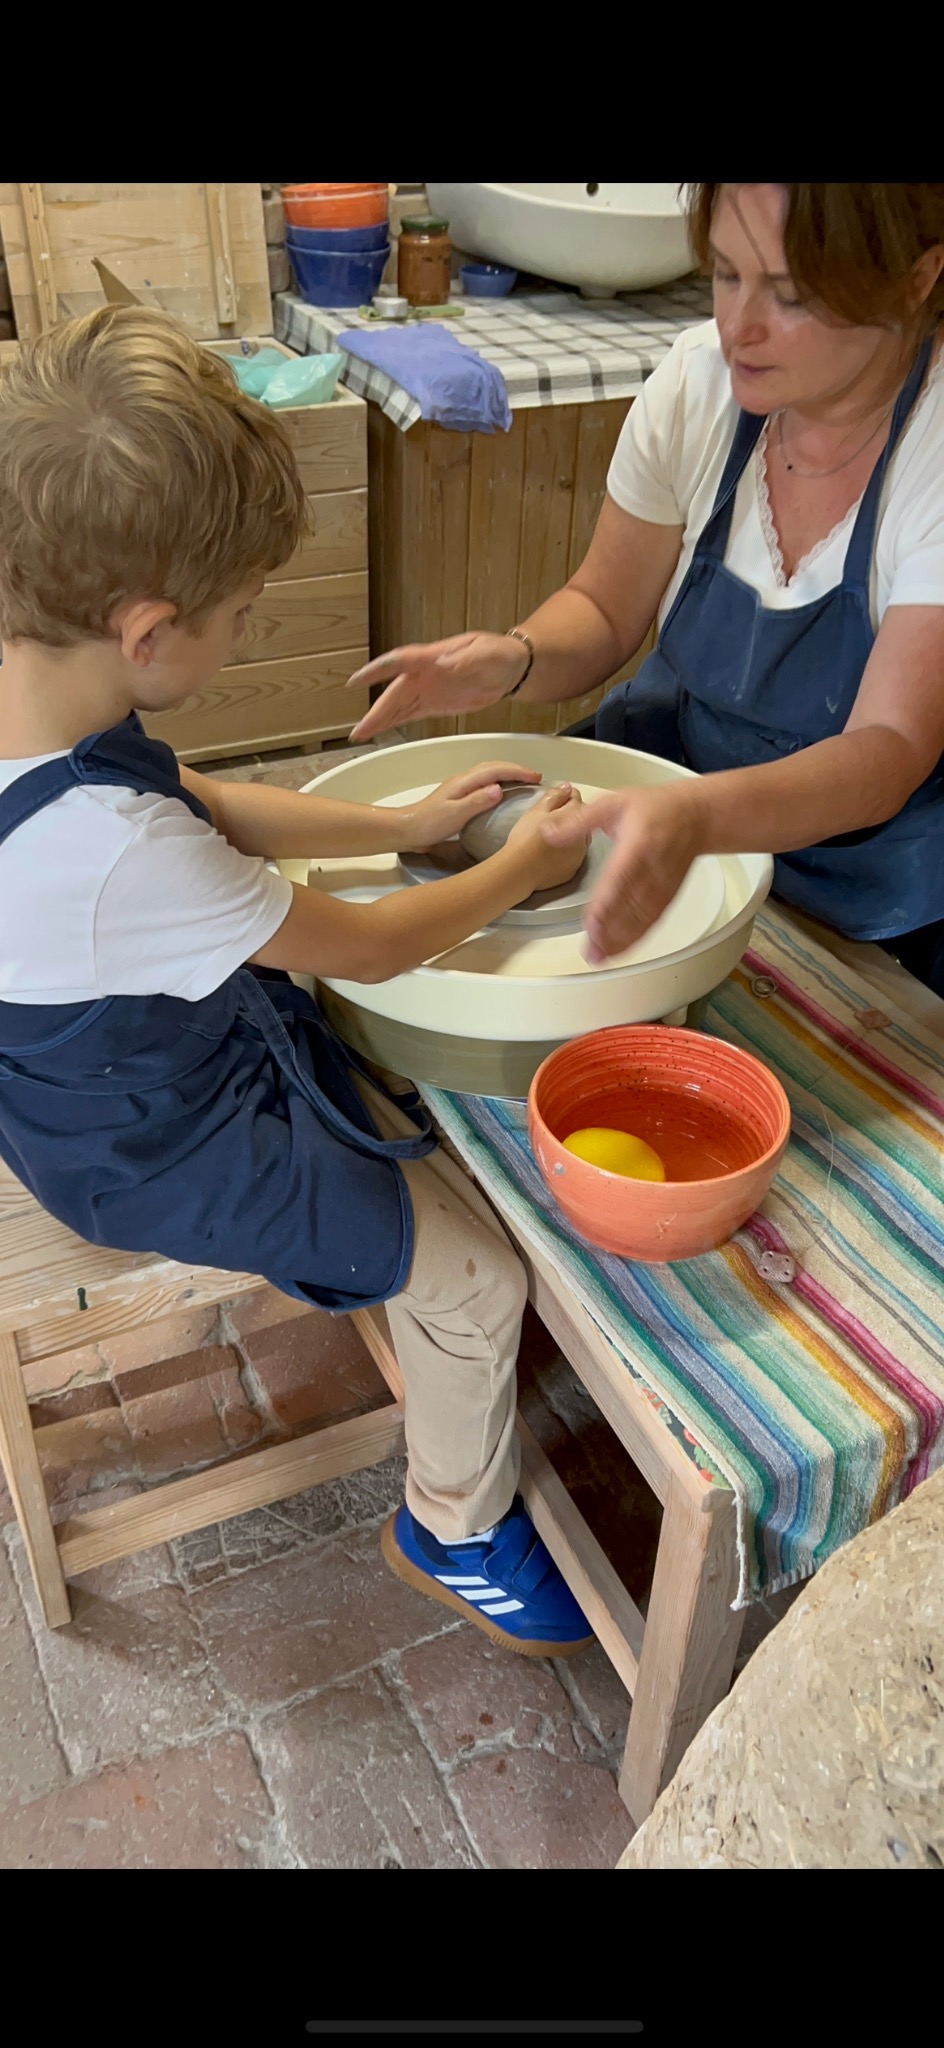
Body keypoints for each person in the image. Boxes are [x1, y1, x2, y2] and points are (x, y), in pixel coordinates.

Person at [0, 307, 594, 1657]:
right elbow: (377, 946)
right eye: (242, 616)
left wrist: (404, 824)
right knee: (473, 1275)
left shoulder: (38, 699)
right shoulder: (114, 857)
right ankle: (453, 1527)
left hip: (64, 1079)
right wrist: (518, 868)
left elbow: (202, 800)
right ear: (150, 633)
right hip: (137, 1151)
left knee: (346, 1038)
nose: (249, 628)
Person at [349, 183, 944, 994]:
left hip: (881, 874)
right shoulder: (700, 382)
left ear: (918, 279)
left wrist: (698, 819)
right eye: (727, 274)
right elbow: (603, 609)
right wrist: (514, 658)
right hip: (676, 781)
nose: (740, 327)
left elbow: (889, 751)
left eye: (794, 296)